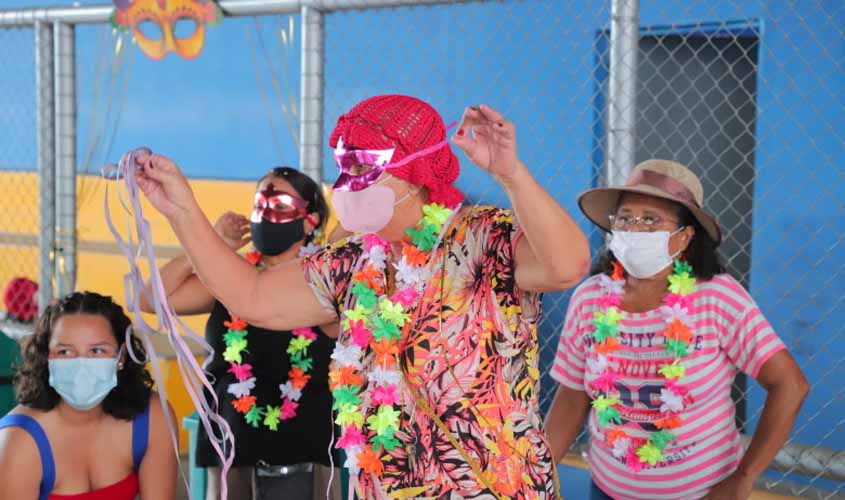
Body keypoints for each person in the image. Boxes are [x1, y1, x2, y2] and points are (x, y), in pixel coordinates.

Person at [134, 95, 591, 499]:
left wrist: (511, 174)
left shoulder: (479, 237)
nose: (346, 182)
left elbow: (567, 266)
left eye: (362, 167)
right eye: (342, 167)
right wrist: (181, 209)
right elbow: (252, 297)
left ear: (413, 171)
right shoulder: (351, 261)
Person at [545, 159, 809, 500]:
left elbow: (790, 384)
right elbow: (572, 396)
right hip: (607, 490)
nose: (635, 230)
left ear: (684, 237)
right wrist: (535, 475)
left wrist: (744, 477)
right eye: (625, 218)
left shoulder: (717, 297)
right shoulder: (590, 298)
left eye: (651, 220)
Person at [140, 166, 341, 500]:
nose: (266, 215)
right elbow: (150, 298)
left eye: (280, 206)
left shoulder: (324, 280)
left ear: (311, 220)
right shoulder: (232, 280)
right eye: (259, 205)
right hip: (231, 448)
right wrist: (213, 244)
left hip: (303, 454)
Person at [0, 291, 177, 500]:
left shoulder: (153, 416)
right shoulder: (18, 440)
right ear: (47, 357)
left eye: (97, 351)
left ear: (121, 356)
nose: (82, 366)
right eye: (65, 352)